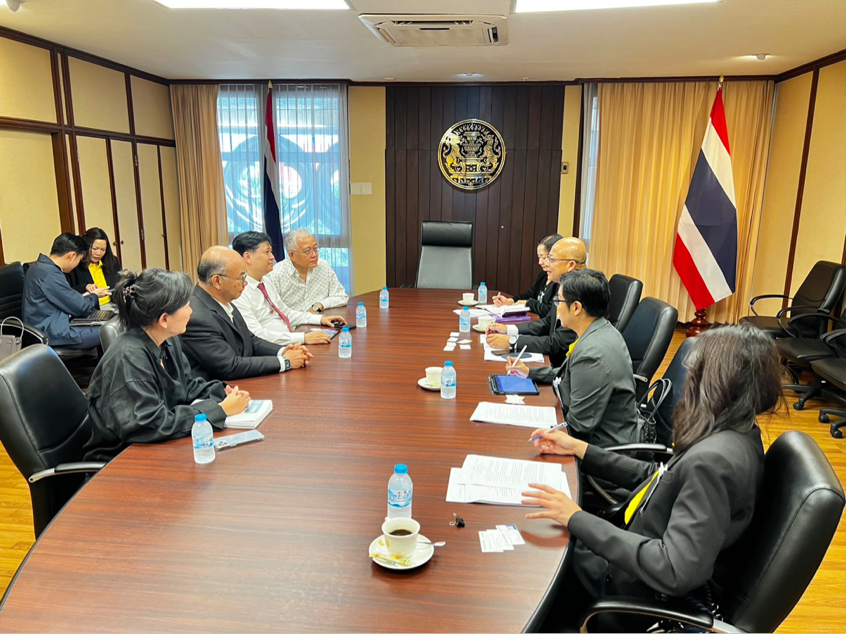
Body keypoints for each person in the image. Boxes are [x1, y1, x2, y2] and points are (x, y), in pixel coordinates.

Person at [521, 325, 782, 631]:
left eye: (695, 371)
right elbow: (659, 477)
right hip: (630, 552)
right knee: (539, 535)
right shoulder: (739, 432)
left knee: (525, 561)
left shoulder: (714, 461)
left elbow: (674, 569)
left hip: (624, 592)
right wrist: (580, 449)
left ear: (716, 381)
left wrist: (576, 518)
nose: (689, 380)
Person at [83, 268, 251, 463]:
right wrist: (219, 410)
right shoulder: (129, 356)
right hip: (122, 459)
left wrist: (221, 392)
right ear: (164, 319)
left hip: (156, 447)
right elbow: (149, 424)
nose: (191, 311)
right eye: (186, 306)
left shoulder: (166, 340)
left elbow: (186, 386)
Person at [507, 270, 638, 447]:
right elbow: (569, 374)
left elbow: (578, 426)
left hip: (603, 448)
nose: (556, 307)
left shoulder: (591, 354)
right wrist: (530, 372)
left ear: (576, 308)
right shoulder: (599, 329)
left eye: (558, 300)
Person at [180, 246, 312, 381]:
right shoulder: (197, 317)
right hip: (222, 388)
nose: (245, 283)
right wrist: (285, 361)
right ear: (217, 281)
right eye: (241, 278)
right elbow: (230, 366)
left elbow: (251, 340)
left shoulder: (223, 300)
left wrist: (283, 351)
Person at [486, 237, 586, 368]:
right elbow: (547, 322)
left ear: (571, 265)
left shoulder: (580, 294)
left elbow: (556, 343)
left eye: (551, 259)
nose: (546, 264)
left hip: (563, 369)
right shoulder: (564, 286)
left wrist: (512, 342)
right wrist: (508, 329)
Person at [231, 231, 347, 346]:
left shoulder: (265, 282)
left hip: (289, 340)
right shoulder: (239, 292)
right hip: (272, 349)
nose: (272, 257)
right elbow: (256, 335)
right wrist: (303, 338)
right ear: (248, 257)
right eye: (267, 252)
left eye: (271, 251)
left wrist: (320, 319)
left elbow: (286, 313)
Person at [22, 233, 111, 349]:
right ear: (72, 255)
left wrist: (84, 296)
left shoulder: (39, 267)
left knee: (109, 320)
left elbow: (64, 297)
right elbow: (80, 307)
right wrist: (94, 295)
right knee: (113, 327)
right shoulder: (50, 274)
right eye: (79, 259)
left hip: (49, 324)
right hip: (53, 333)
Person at [267, 228, 349, 313]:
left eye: (315, 248)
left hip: (321, 319)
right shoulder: (276, 275)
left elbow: (341, 297)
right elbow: (270, 312)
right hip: (291, 321)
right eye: (307, 251)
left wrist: (319, 305)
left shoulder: (323, 266)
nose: (314, 255)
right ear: (292, 255)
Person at [492, 233, 562, 317]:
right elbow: (532, 294)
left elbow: (551, 311)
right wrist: (511, 301)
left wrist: (528, 303)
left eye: (543, 257)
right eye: (539, 257)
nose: (540, 262)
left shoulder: (560, 281)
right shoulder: (544, 275)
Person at [66, 227, 123, 307]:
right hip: (88, 307)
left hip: (112, 304)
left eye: (103, 249)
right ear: (86, 247)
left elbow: (119, 285)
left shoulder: (113, 261)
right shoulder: (75, 265)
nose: (98, 253)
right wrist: (85, 287)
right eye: (95, 248)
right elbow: (67, 291)